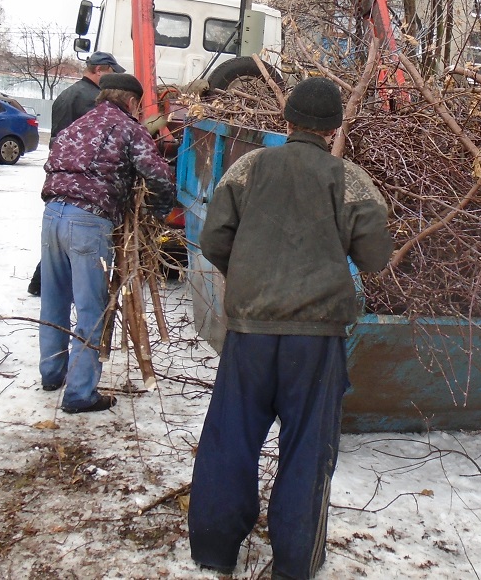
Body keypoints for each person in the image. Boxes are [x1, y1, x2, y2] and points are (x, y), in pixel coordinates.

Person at [188, 77, 394, 579]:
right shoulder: (349, 179)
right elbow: (374, 257)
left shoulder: (247, 167)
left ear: (287, 119)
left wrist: (251, 274)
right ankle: (295, 563)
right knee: (307, 450)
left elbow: (214, 238)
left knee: (229, 438)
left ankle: (214, 550)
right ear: (334, 127)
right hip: (316, 340)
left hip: (250, 333)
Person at [38, 71, 175, 413]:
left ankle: (52, 372)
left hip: (52, 215)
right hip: (88, 220)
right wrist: (158, 211)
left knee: (54, 298)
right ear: (131, 102)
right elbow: (158, 174)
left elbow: (51, 162)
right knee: (90, 308)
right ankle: (80, 393)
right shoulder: (128, 128)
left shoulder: (77, 126)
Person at [28, 51, 124, 296]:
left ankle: (40, 283)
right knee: (74, 238)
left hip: (59, 174)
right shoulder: (92, 100)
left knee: (59, 240)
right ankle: (42, 283)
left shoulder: (67, 94)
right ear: (100, 70)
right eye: (112, 73)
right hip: (82, 181)